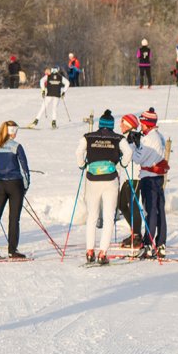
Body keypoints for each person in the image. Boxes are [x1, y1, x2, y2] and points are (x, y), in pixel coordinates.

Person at [76, 111, 125, 264]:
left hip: (92, 179)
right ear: (112, 126)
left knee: (92, 216)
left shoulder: (88, 137)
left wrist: (82, 165)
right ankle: (102, 253)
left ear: (100, 124)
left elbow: (78, 152)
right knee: (109, 217)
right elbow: (128, 152)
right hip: (110, 180)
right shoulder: (118, 138)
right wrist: (123, 163)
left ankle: (89, 251)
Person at [0, 121, 31, 259]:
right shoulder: (16, 146)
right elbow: (24, 169)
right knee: (14, 218)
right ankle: (12, 250)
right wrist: (25, 186)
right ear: (13, 131)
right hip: (15, 184)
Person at [129, 108, 169, 257]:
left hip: (149, 178)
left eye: (142, 123)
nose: (141, 126)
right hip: (158, 177)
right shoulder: (159, 136)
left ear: (147, 123)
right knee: (159, 210)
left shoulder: (149, 139)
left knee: (150, 211)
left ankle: (148, 244)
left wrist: (132, 145)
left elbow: (138, 158)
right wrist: (139, 143)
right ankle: (161, 243)